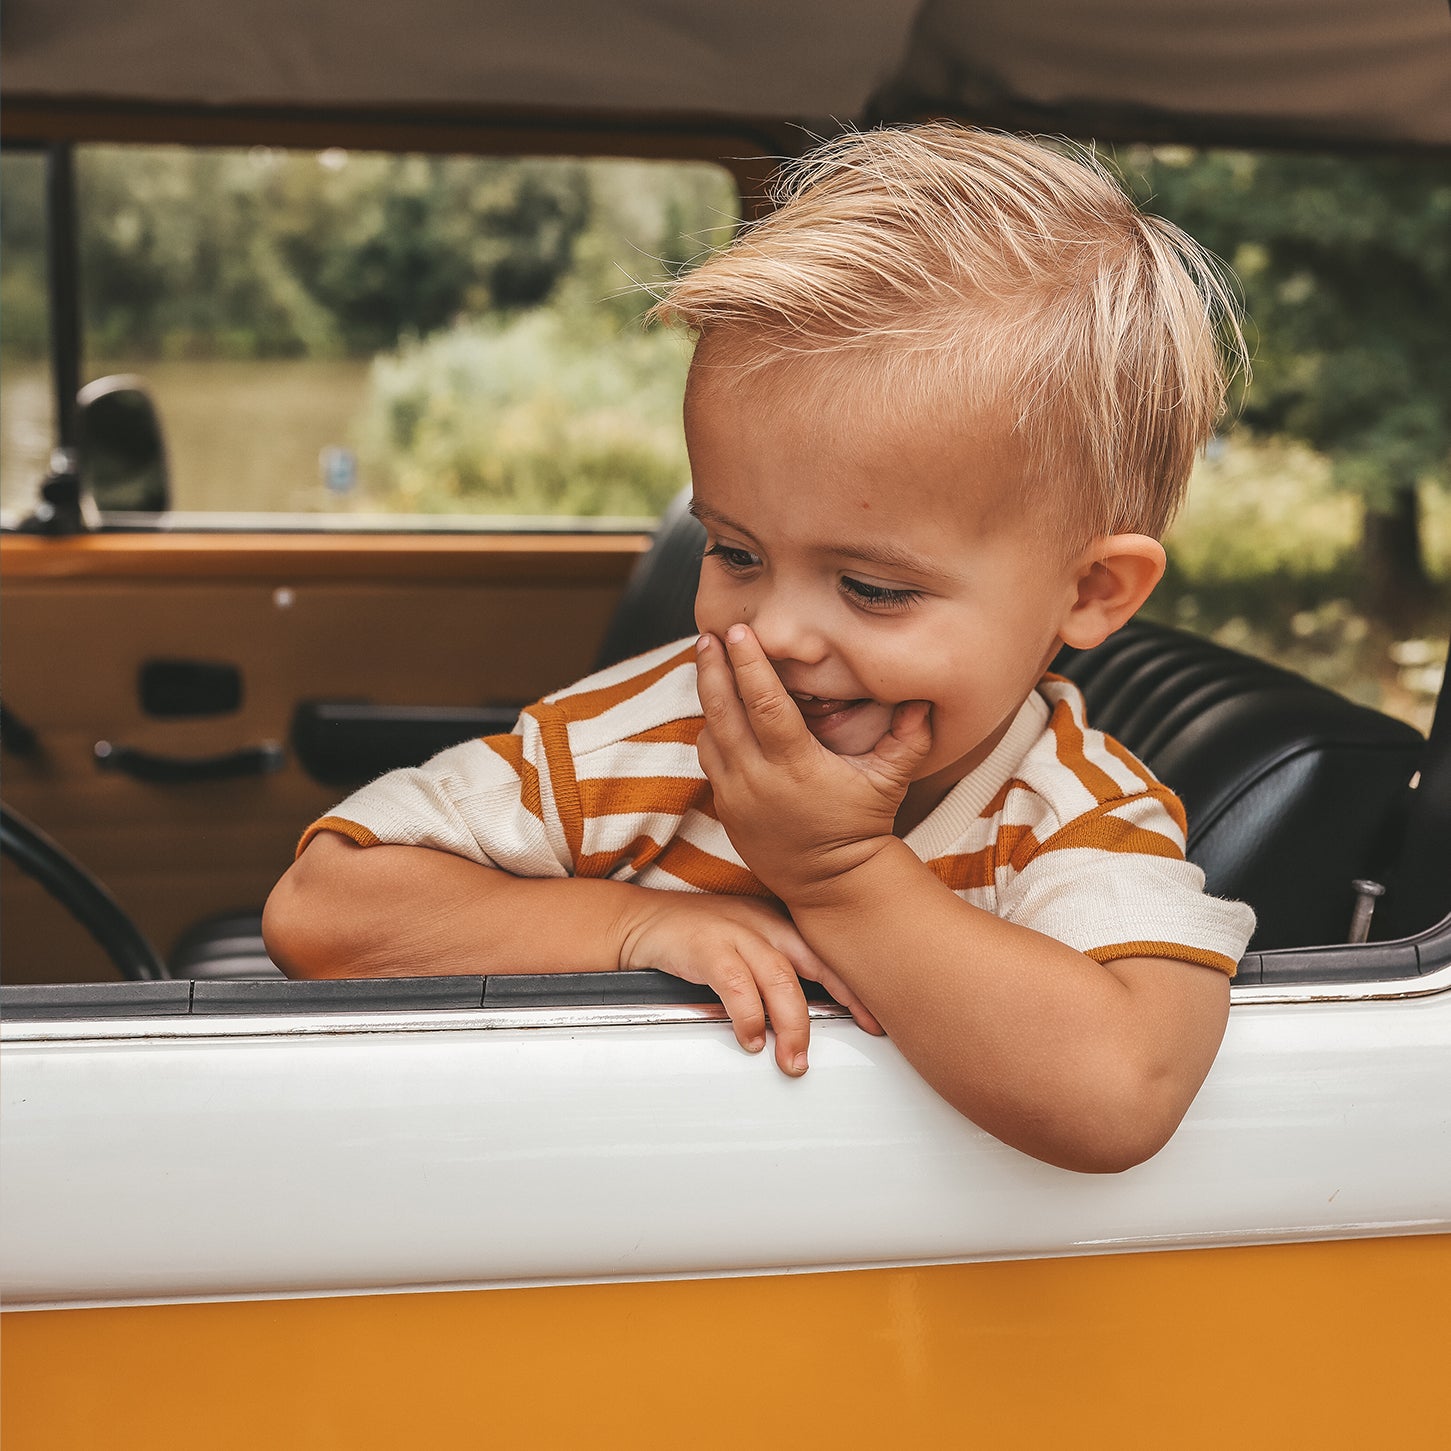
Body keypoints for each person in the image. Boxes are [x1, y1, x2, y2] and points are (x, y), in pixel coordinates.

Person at [263, 124, 1256, 1173]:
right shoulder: (654, 732)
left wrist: (835, 874)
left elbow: (1117, 1091)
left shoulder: (1071, 816)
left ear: (1089, 591)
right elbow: (323, 911)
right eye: (733, 550)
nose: (771, 633)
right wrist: (628, 929)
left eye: (872, 588)